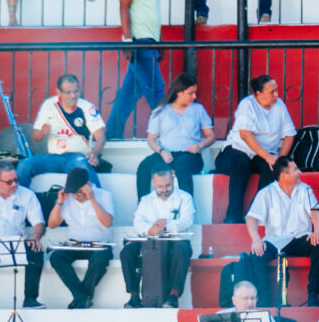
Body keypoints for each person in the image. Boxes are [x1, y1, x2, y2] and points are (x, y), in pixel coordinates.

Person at [106, 0, 168, 139]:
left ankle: (112, 133)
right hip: (140, 41)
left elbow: (151, 11)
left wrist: (158, 40)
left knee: (128, 94)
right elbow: (124, 7)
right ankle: (166, 132)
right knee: (156, 89)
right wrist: (127, 41)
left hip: (149, 40)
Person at [245, 156, 319, 308]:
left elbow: (315, 211)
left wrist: (317, 230)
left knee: (318, 245)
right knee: (255, 253)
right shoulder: (266, 192)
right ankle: (264, 299)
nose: (299, 172)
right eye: (295, 170)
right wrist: (256, 239)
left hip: (300, 238)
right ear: (283, 175)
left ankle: (313, 294)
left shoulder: (305, 189)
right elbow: (251, 218)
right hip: (275, 240)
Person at [216, 75, 296, 224]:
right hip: (236, 150)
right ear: (258, 94)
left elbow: (289, 134)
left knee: (272, 168)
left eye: (277, 91)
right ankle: (233, 216)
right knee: (240, 164)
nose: (276, 95)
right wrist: (267, 156)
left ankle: (254, 213)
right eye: (272, 92)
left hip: (262, 155)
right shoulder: (247, 104)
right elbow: (245, 134)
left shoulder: (279, 105)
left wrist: (279, 159)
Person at [0, 160, 45, 310]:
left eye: (16, 180)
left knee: (36, 248)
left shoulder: (27, 195)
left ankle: (30, 299)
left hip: (15, 244)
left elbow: (39, 223)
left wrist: (36, 237)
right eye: (9, 182)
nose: (14, 185)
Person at [121, 168, 195, 309]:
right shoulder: (146, 200)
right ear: (153, 183)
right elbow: (138, 223)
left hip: (175, 239)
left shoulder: (185, 198)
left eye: (168, 185)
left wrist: (165, 227)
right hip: (150, 239)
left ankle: (173, 295)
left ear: (173, 180)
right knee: (127, 252)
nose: (164, 190)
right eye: (159, 186)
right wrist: (150, 229)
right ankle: (134, 295)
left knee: (181, 250)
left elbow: (187, 221)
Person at [17, 74, 105, 190]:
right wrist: (43, 132)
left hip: (77, 157)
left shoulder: (87, 107)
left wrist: (94, 153)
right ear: (58, 92)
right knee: (24, 165)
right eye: (68, 92)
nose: (73, 96)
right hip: (52, 157)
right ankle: (16, 204)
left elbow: (101, 137)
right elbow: (35, 137)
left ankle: (100, 204)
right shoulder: (49, 105)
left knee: (85, 170)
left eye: (76, 91)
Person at [135, 72, 214, 201]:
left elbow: (211, 136)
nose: (194, 96)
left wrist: (199, 146)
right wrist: (161, 152)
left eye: (195, 93)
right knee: (144, 167)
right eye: (191, 93)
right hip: (166, 154)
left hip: (189, 155)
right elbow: (151, 138)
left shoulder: (198, 109)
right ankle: (142, 208)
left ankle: (187, 209)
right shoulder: (160, 110)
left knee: (182, 167)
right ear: (179, 93)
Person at [47, 167, 114, 309]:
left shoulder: (104, 195)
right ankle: (82, 297)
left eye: (78, 192)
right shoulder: (68, 198)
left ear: (88, 185)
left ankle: (81, 298)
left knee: (101, 260)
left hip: (99, 245)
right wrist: (59, 202)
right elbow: (52, 225)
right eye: (73, 193)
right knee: (56, 257)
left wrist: (92, 198)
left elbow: (107, 223)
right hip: (74, 244)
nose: (76, 197)